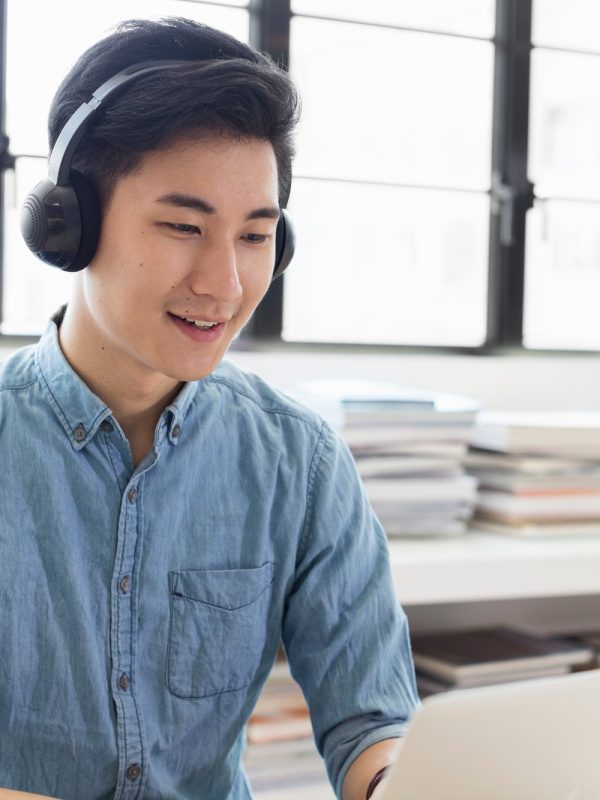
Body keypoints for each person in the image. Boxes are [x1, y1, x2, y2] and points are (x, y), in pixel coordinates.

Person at [0, 16, 419, 800]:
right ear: (69, 224)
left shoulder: (300, 461)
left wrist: (403, 780)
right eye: (184, 227)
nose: (224, 284)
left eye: (256, 237)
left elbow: (371, 720)